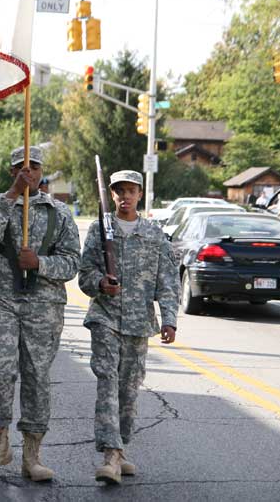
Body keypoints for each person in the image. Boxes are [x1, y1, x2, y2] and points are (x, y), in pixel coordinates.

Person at [0, 146, 80, 482]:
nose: (28, 172)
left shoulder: (58, 213)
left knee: (36, 377)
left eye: (33, 167)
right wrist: (13, 195)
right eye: (21, 167)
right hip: (1, 299)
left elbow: (72, 263)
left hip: (42, 305)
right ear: (12, 171)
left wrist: (41, 263)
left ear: (42, 171)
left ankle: (32, 455)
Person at [78, 170, 180, 485]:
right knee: (108, 382)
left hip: (138, 323)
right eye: (119, 191)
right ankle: (110, 455)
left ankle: (120, 449)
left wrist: (169, 318)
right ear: (112, 195)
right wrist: (99, 283)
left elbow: (167, 279)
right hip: (105, 318)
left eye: (131, 191)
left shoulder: (153, 233)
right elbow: (84, 275)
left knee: (129, 390)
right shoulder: (99, 229)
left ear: (139, 193)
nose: (125, 196)